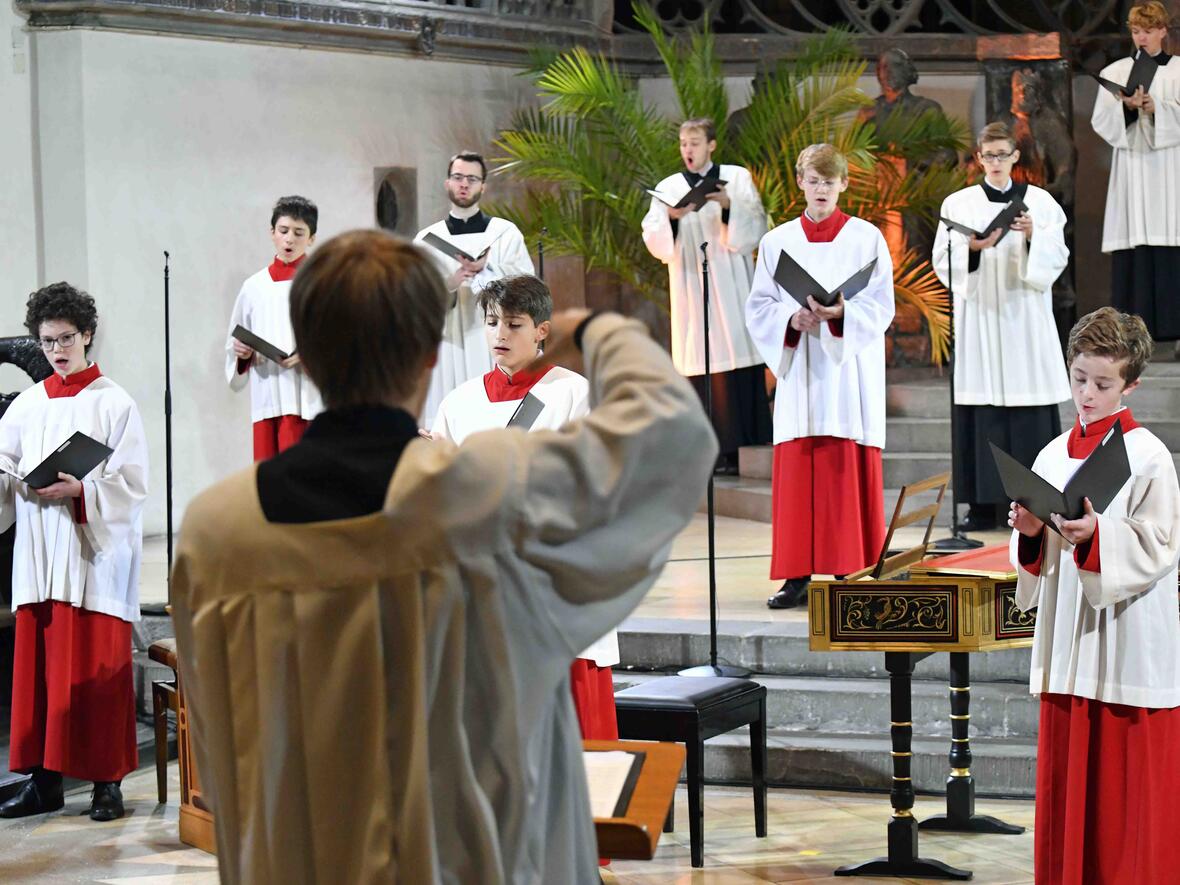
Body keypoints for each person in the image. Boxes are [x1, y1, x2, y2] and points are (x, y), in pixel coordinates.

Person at [170, 230, 715, 884]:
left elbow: (220, 745)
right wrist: (598, 331)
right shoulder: (492, 496)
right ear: (433, 354)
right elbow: (678, 438)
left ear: (305, 358)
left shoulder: (215, 534)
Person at [1008, 306, 1180, 882]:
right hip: (1067, 638)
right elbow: (1031, 562)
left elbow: (1160, 544)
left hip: (1127, 637)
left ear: (1131, 384)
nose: (1086, 393)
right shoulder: (1052, 454)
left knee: (1124, 791)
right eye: (1079, 378)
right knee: (1067, 783)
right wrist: (1030, 535)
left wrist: (1097, 536)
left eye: (1103, 384)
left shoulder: (1149, 455)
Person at [431, 274, 618, 745]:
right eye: (492, 323)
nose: (499, 335)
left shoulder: (572, 393)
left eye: (513, 324)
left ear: (541, 331)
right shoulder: (459, 402)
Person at [0, 283, 148, 822]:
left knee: (97, 670)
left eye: (67, 338)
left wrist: (83, 490)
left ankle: (107, 785)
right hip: (40, 552)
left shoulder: (115, 401)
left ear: (87, 335)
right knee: (39, 673)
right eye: (46, 341)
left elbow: (132, 484)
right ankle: (44, 783)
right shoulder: (27, 405)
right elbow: (5, 461)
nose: (58, 350)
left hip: (91, 555)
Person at [746, 144, 894, 609]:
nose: (821, 189)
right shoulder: (777, 241)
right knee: (799, 468)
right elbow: (759, 306)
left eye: (829, 181)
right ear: (800, 183)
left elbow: (881, 304)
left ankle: (852, 568)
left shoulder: (867, 238)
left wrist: (840, 313)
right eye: (813, 180)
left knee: (841, 462)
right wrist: (792, 319)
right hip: (800, 372)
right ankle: (797, 576)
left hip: (846, 371)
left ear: (844, 184)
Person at [933, 122, 1071, 532]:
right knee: (984, 410)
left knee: (1028, 407)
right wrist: (970, 250)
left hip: (1024, 317)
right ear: (979, 157)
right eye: (987, 155)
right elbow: (944, 260)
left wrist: (1032, 237)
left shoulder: (1041, 203)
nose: (995, 162)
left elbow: (1057, 255)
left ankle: (1036, 501)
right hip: (982, 319)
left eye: (1002, 154)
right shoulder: (958, 204)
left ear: (1015, 157)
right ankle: (981, 505)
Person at [642, 117, 771, 474]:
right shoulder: (668, 186)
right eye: (684, 143)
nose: (688, 150)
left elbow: (754, 229)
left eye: (695, 142)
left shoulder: (737, 177)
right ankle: (707, 453)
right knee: (700, 360)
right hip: (690, 286)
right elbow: (655, 241)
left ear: (711, 145)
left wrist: (729, 205)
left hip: (730, 283)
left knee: (736, 356)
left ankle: (743, 447)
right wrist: (670, 217)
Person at [415, 150, 535, 425]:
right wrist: (452, 282)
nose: (464, 184)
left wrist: (488, 272)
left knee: (493, 420)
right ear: (447, 183)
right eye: (457, 177)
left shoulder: (505, 234)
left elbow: (529, 291)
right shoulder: (426, 241)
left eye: (472, 178)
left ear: (483, 186)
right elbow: (411, 300)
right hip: (446, 344)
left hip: (495, 340)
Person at [1092, 2, 1180, 346]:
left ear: (1163, 31)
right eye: (1136, 31)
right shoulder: (1117, 72)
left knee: (1170, 239)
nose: (1141, 37)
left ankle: (1173, 330)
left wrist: (1157, 108)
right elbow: (1102, 121)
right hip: (1133, 168)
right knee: (1136, 242)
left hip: (1170, 169)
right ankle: (1133, 334)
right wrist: (1127, 110)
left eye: (1148, 30)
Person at [225, 195, 323, 461]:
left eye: (299, 233)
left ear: (311, 238)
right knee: (268, 483)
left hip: (308, 398)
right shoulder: (253, 287)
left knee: (304, 482)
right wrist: (241, 354)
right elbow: (235, 342)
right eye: (283, 231)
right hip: (267, 397)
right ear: (272, 233)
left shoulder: (322, 282)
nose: (290, 239)